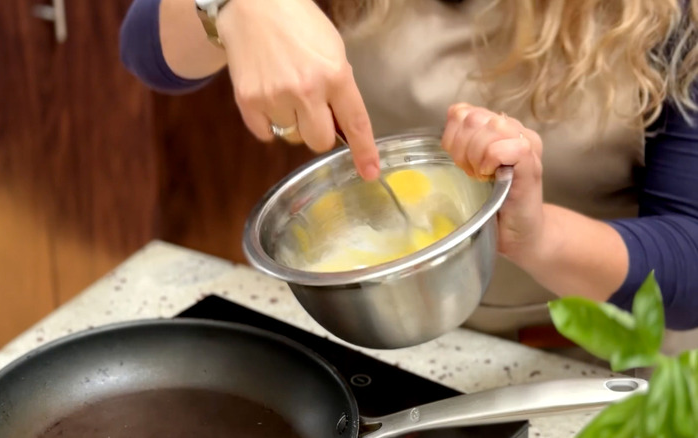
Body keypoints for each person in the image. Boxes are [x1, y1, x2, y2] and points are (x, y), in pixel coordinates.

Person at [118, 0, 698, 353]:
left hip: (583, 361)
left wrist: (539, 235)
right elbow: (147, 50)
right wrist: (236, 7)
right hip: (365, 339)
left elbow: (691, 265)